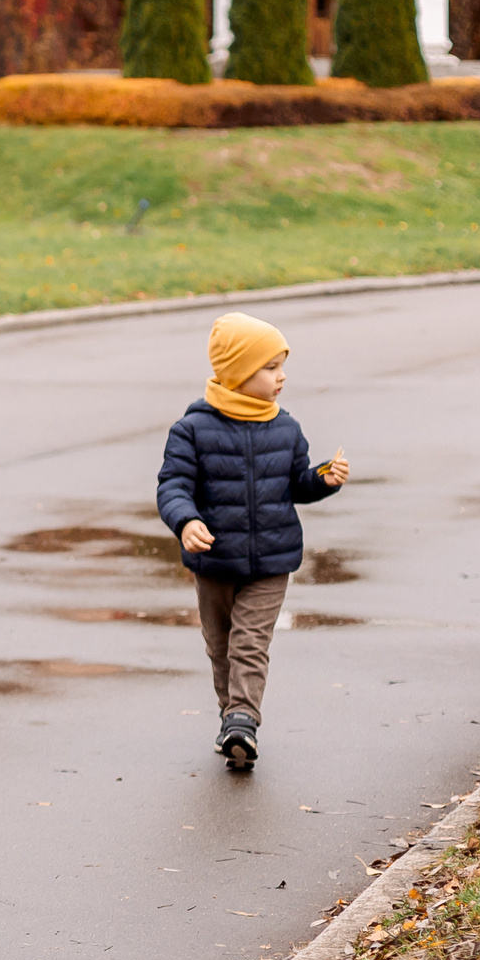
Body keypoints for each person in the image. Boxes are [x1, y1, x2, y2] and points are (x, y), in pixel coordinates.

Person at [156, 312, 350, 772]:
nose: (281, 377)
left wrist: (324, 478)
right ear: (239, 373)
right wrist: (186, 522)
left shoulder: (286, 428)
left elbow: (298, 485)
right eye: (270, 368)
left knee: (249, 644)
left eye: (282, 366)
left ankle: (244, 718)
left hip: (271, 562)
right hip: (213, 562)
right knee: (220, 646)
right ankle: (233, 724)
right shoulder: (193, 430)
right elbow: (173, 486)